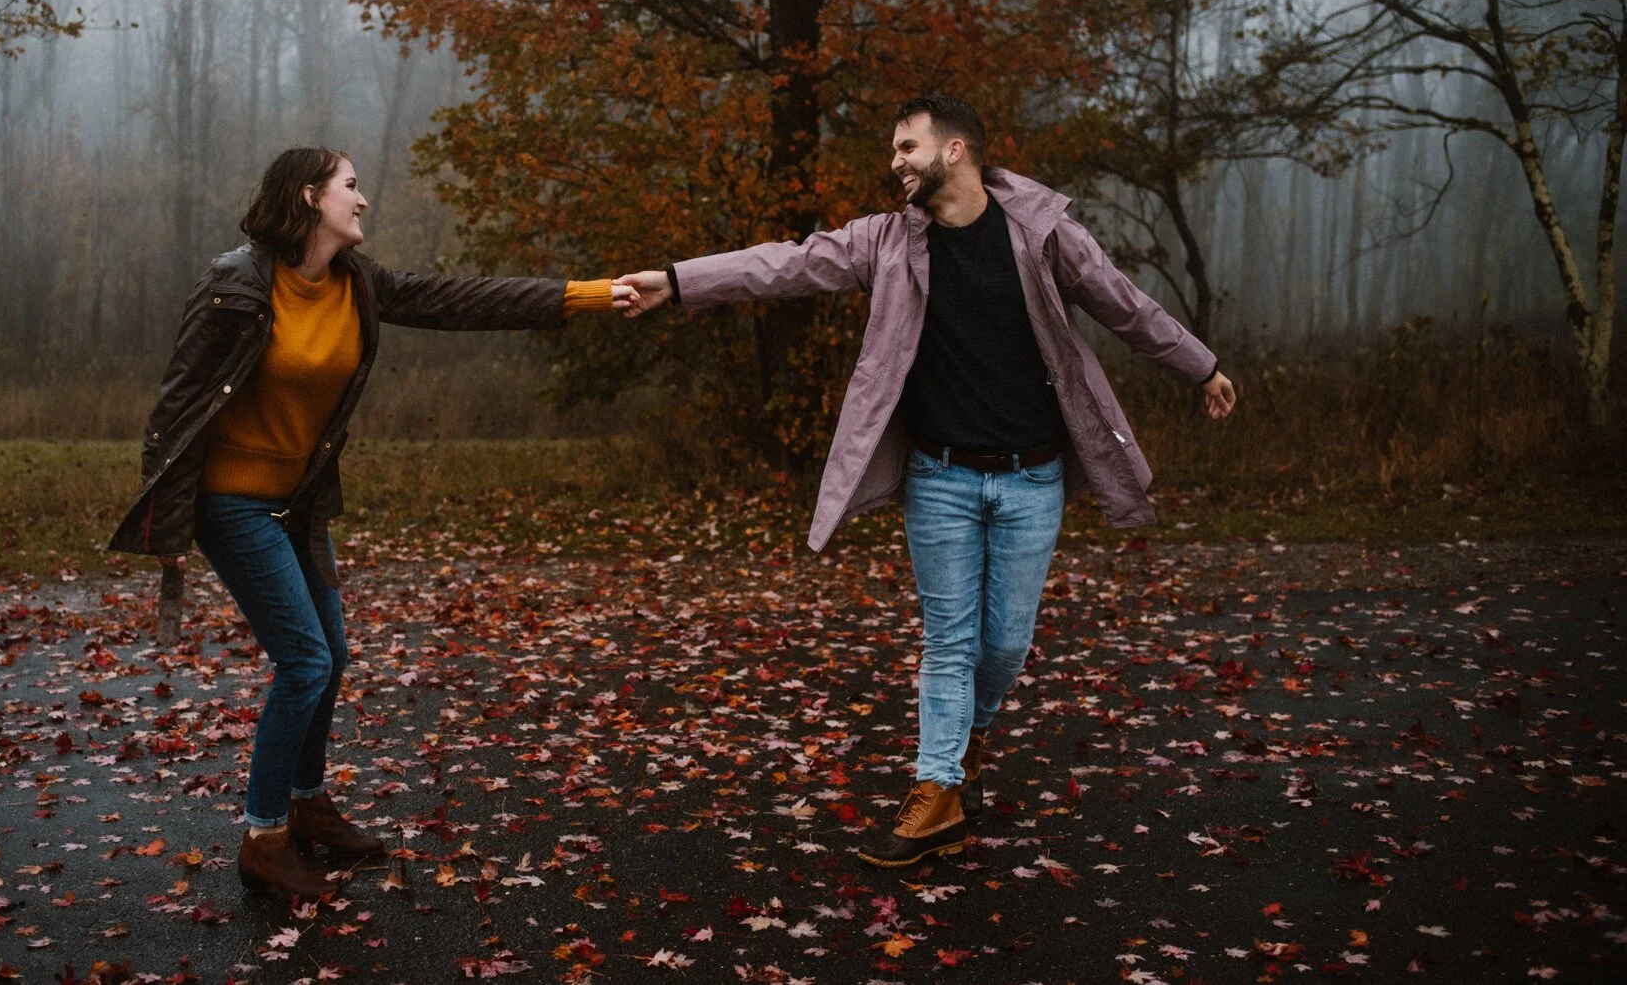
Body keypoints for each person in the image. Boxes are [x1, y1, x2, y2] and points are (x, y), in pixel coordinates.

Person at [615, 94, 1236, 868]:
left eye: (907, 146)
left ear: (956, 151)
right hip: (939, 479)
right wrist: (675, 281)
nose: (895, 162)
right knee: (949, 644)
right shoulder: (885, 243)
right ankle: (936, 789)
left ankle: (966, 738)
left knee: (1004, 644)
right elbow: (783, 263)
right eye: (893, 150)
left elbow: (1124, 305)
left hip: (1031, 480)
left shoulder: (1043, 233)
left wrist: (1199, 363)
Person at [110, 147, 625, 901]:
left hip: (299, 499)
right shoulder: (235, 284)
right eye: (352, 185)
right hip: (233, 500)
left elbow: (464, 299)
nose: (365, 199)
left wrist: (591, 294)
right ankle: (264, 836)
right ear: (310, 196)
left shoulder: (358, 284)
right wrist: (170, 519)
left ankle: (307, 804)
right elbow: (175, 406)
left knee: (334, 653)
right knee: (306, 660)